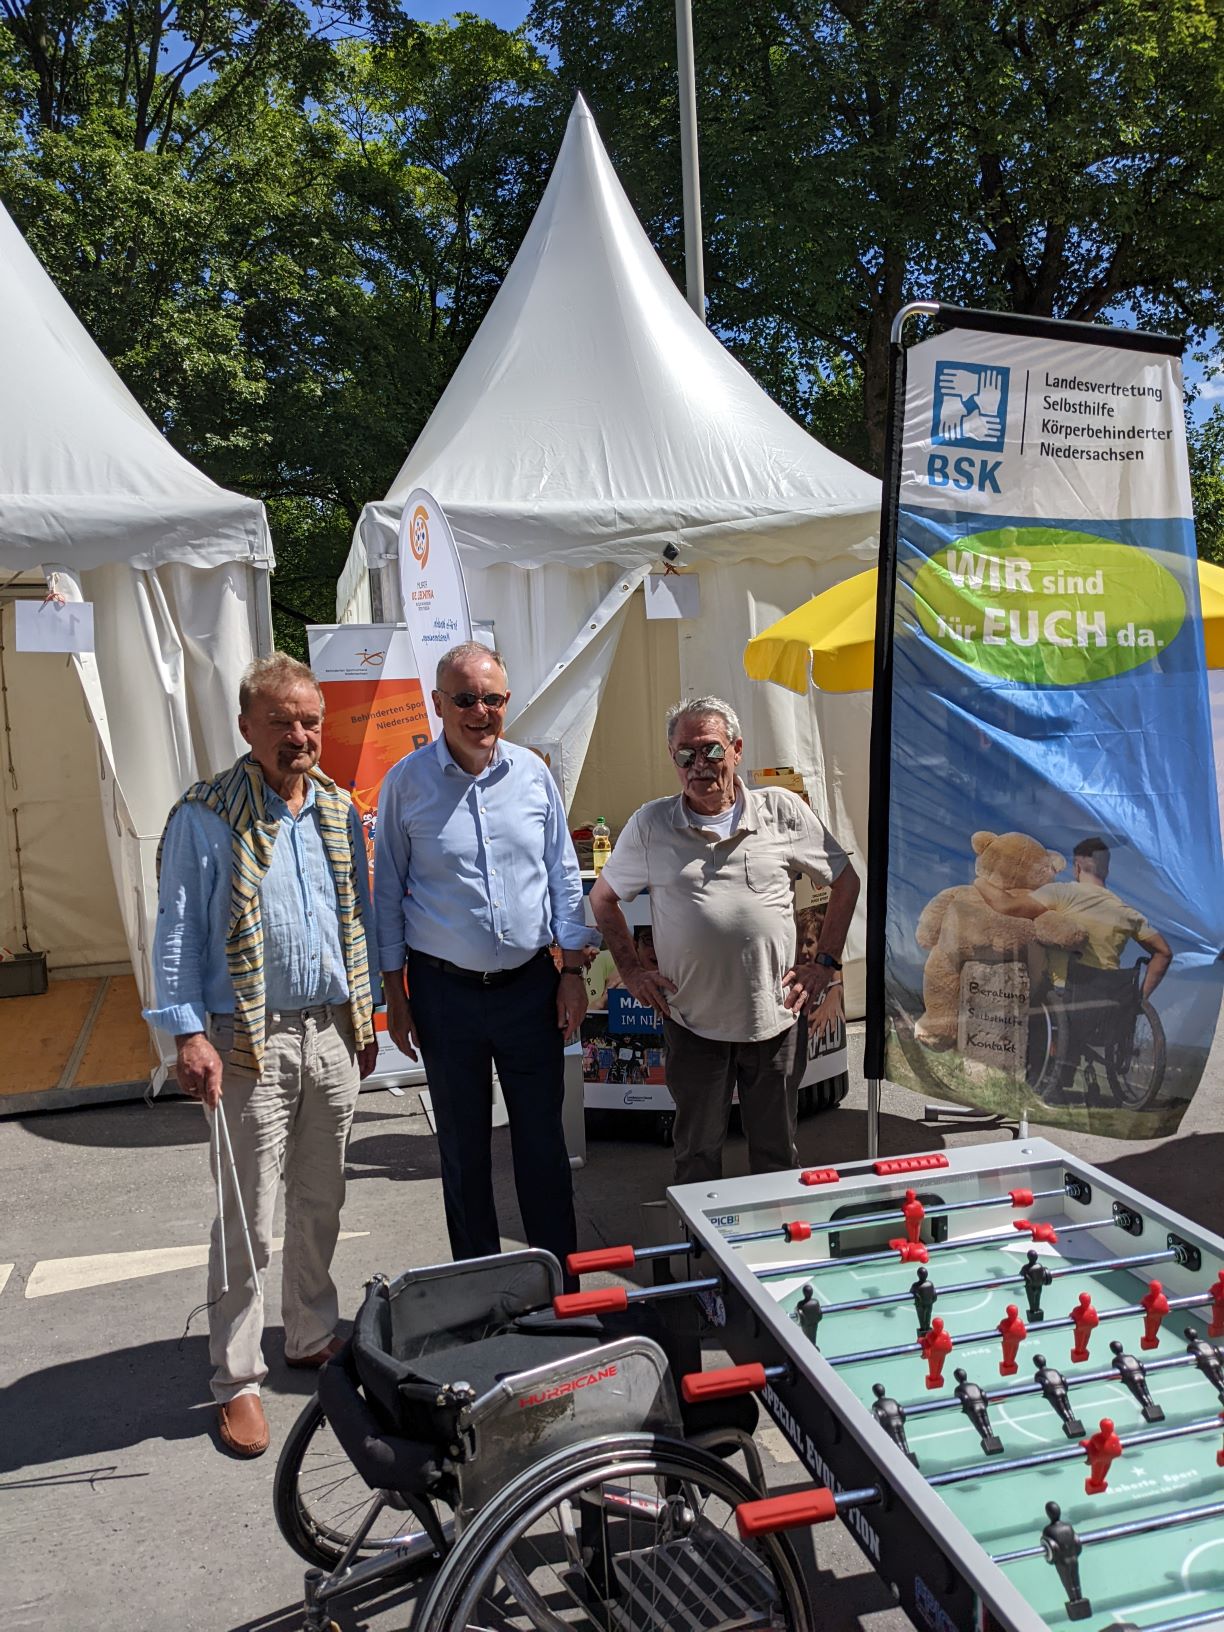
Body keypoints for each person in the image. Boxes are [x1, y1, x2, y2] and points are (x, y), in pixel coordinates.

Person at [146, 653, 378, 1459]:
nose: (298, 735)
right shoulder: (204, 816)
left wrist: (366, 1014)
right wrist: (187, 1032)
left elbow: (357, 921)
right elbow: (174, 931)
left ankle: (310, 1334)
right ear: (246, 727)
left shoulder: (337, 811)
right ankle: (235, 1378)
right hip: (246, 1036)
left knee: (322, 1199)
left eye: (309, 720)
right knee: (249, 1218)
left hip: (330, 1029)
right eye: (280, 721)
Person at [373, 642, 588, 1274]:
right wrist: (395, 993)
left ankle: (558, 1285)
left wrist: (572, 971)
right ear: (438, 704)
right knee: (464, 1154)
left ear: (506, 703)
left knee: (542, 1146)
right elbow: (387, 889)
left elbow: (563, 875)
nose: (479, 711)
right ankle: (478, 1293)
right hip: (445, 996)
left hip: (531, 989)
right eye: (464, 698)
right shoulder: (406, 784)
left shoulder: (532, 774)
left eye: (491, 698)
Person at [590, 697, 859, 1183]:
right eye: (684, 755)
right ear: (672, 758)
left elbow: (845, 880)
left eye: (711, 751)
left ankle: (774, 1251)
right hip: (692, 1021)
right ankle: (699, 1254)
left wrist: (824, 963)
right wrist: (631, 970)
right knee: (695, 1153)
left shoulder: (781, 810)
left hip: (774, 1018)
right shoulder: (651, 825)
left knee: (776, 1154)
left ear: (736, 750)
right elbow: (604, 898)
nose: (699, 766)